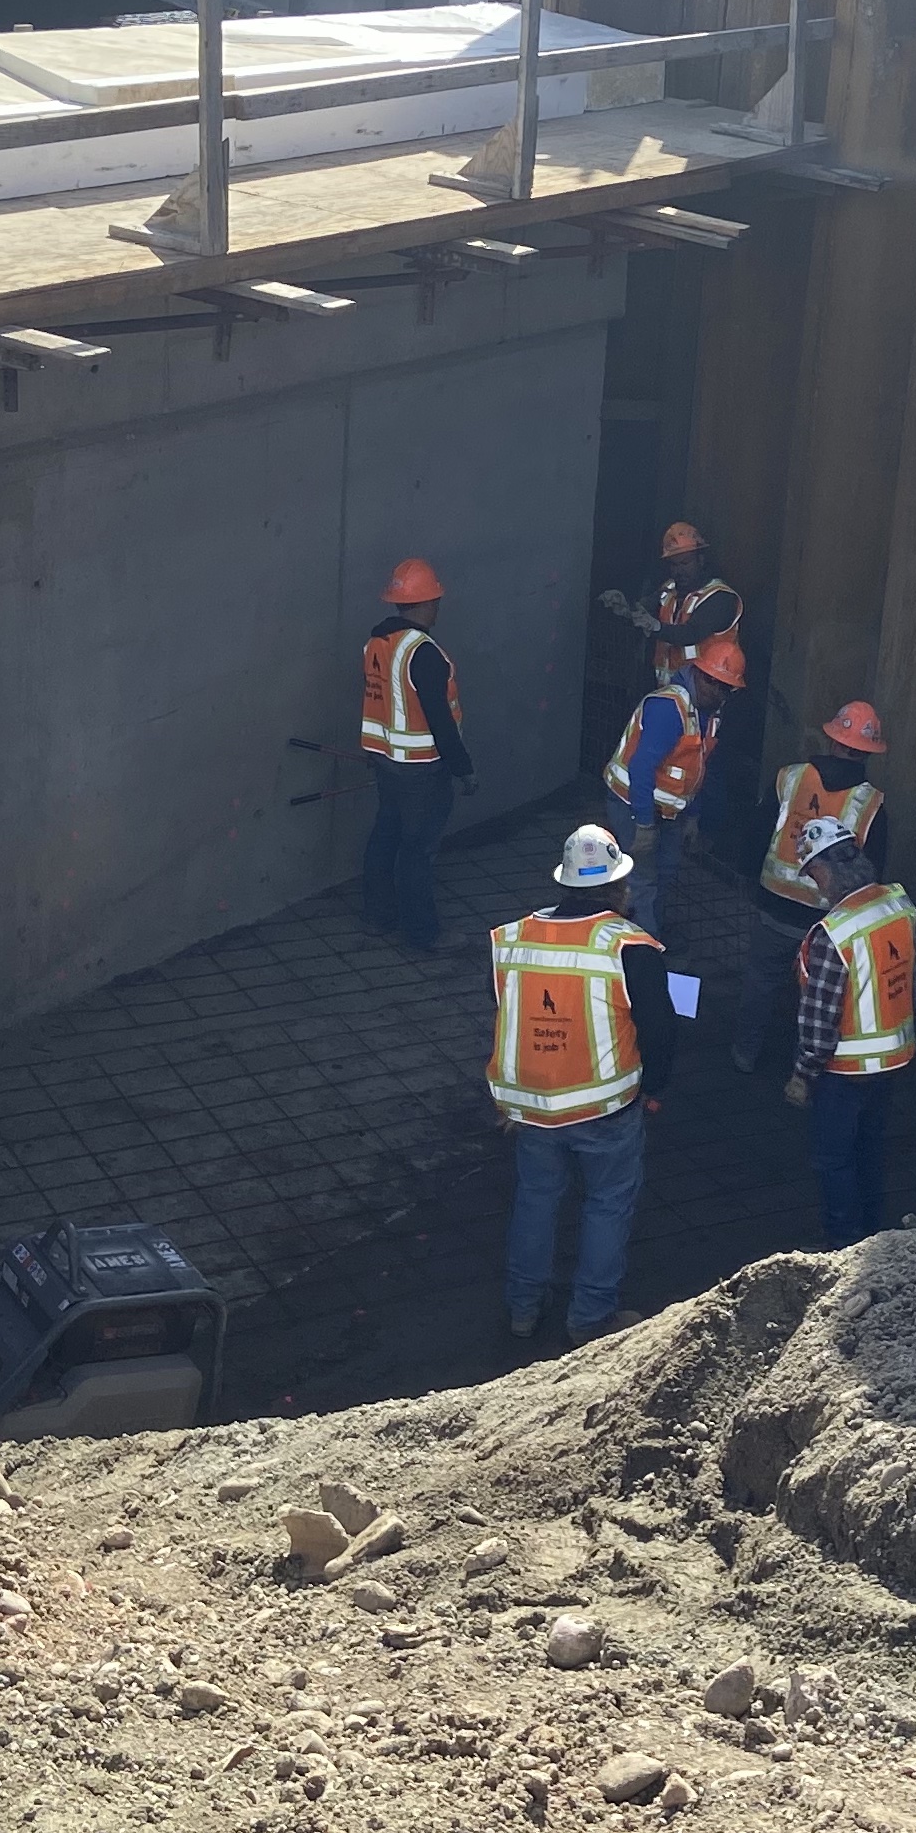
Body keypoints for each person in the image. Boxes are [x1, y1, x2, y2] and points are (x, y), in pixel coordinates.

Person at [488, 822, 679, 1340]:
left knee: (536, 1199)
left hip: (532, 1107)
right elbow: (658, 1029)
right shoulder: (630, 946)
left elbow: (506, 1005)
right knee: (607, 1204)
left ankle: (523, 1307)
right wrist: (655, 1089)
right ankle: (590, 1318)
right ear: (618, 888)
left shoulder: (512, 939)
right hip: (607, 1107)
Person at [731, 699, 889, 1074]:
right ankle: (804, 1071)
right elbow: (873, 872)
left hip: (774, 903)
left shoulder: (790, 776)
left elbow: (757, 832)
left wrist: (744, 876)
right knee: (818, 997)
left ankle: (744, 1053)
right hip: (827, 923)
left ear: (832, 738)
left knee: (760, 982)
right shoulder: (873, 804)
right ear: (868, 752)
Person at [782, 816, 916, 1249]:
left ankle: (844, 1243)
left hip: (845, 1070)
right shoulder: (899, 905)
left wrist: (803, 1074)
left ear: (821, 871)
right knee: (870, 1148)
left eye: (813, 876)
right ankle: (873, 1234)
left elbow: (820, 1022)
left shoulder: (833, 933)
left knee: (833, 1159)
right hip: (895, 1057)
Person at [600, 635, 740, 963]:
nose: (720, 693)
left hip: (670, 814)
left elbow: (698, 768)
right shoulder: (668, 707)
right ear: (700, 675)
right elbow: (642, 767)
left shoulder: (708, 713)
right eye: (716, 684)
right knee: (642, 880)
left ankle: (649, 933)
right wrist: (644, 823)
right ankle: (643, 955)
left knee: (664, 873)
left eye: (727, 688)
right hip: (632, 806)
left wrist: (693, 815)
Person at [358, 556, 472, 952]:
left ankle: (377, 917)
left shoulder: (378, 643)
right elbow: (439, 717)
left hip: (386, 761)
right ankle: (424, 934)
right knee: (417, 851)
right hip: (422, 770)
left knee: (385, 837)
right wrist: (464, 769)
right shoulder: (423, 652)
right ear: (427, 603)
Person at [601, 521, 743, 688]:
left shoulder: (720, 598)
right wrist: (625, 607)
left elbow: (691, 633)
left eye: (685, 563)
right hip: (670, 693)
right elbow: (644, 609)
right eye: (673, 564)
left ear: (701, 560)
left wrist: (655, 627)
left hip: (709, 695)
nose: (679, 571)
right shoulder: (669, 589)